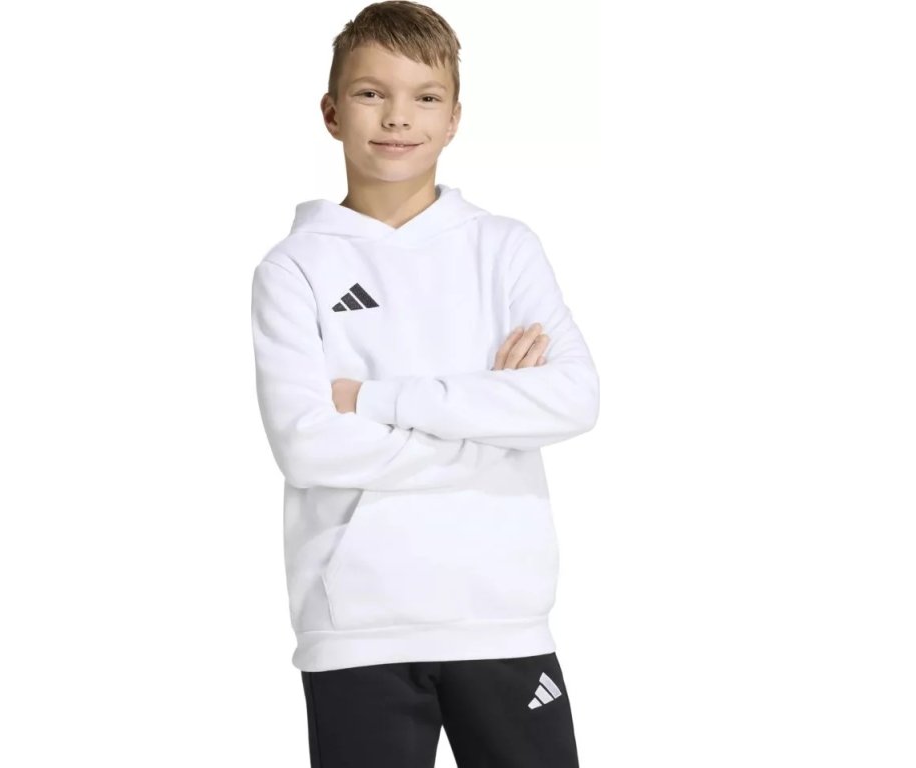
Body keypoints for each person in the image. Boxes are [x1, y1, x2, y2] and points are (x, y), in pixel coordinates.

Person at [249, 2, 599, 765]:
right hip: (355, 628)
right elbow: (308, 447)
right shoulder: (295, 267)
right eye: (371, 93)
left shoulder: (504, 248)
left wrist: (373, 399)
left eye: (426, 96)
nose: (398, 117)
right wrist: (494, 426)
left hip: (501, 618)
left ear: (454, 119)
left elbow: (574, 398)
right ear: (331, 111)